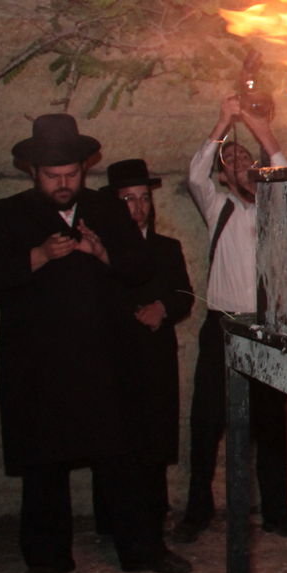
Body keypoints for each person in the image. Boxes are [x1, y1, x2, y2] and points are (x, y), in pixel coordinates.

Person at [0, 115, 190, 573]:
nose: (63, 184)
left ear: (84, 170)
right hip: (39, 365)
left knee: (122, 459)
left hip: (105, 360)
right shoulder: (8, 214)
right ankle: (46, 558)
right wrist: (37, 256)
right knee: (43, 464)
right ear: (33, 172)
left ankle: (141, 549)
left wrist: (103, 254)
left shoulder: (106, 209)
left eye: (71, 174)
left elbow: (140, 267)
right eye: (52, 176)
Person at [171, 94, 287, 543]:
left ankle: (276, 513)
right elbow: (196, 174)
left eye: (246, 157)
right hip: (223, 327)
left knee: (270, 425)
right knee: (207, 421)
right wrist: (223, 121)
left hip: (266, 328)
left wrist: (257, 127)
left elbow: (286, 170)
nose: (239, 163)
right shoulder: (218, 207)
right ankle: (196, 512)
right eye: (230, 160)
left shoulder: (277, 205)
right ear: (222, 175)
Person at [95, 159, 194, 527]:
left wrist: (162, 308)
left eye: (144, 198)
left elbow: (184, 295)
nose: (138, 208)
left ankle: (153, 516)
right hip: (113, 358)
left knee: (154, 436)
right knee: (114, 438)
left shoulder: (167, 247)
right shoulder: (99, 248)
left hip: (155, 357)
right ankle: (111, 520)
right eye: (128, 199)